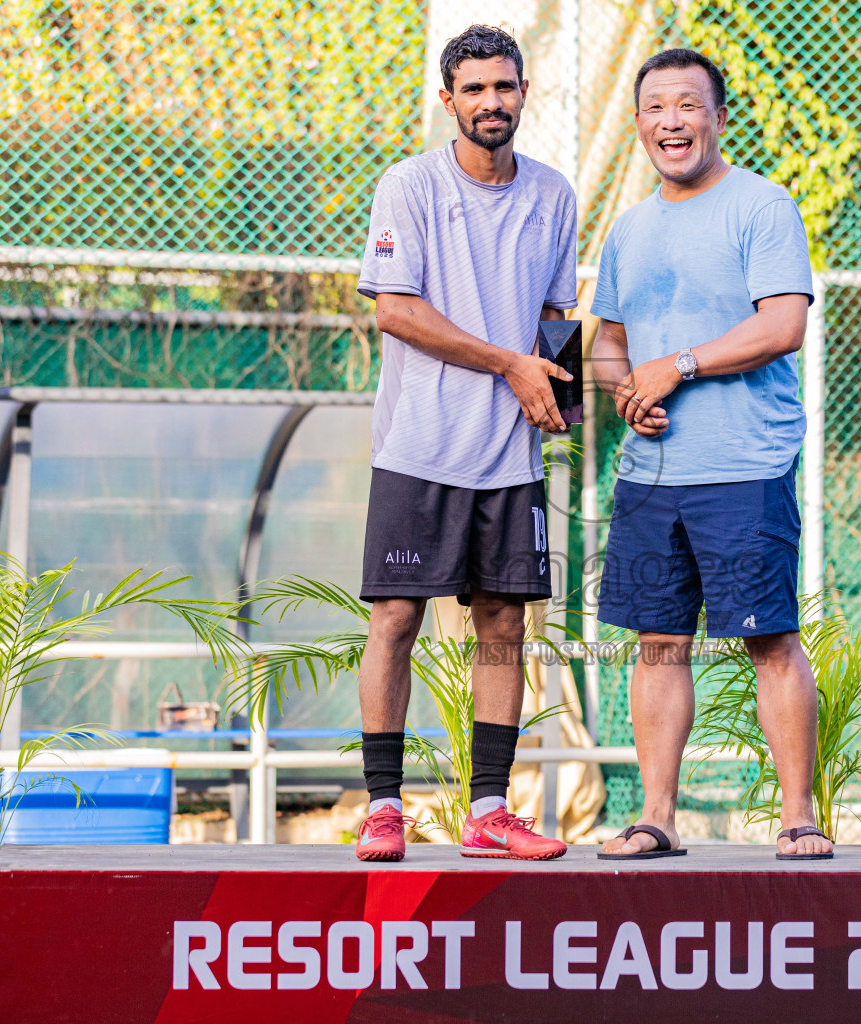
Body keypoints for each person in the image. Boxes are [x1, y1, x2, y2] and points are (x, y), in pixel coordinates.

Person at [592, 48, 832, 860]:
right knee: (657, 643)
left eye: (688, 105)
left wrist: (678, 365)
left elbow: (781, 325)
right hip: (652, 477)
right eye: (656, 107)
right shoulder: (628, 229)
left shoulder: (762, 207)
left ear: (717, 119)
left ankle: (798, 817)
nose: (672, 121)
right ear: (638, 125)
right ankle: (656, 817)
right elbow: (609, 343)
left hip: (746, 467)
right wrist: (628, 390)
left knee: (769, 641)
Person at [352, 24, 577, 862]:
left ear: (523, 94)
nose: (492, 101)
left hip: (510, 458)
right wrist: (509, 364)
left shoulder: (554, 195)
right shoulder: (407, 185)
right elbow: (395, 310)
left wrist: (560, 399)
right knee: (397, 619)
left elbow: (554, 324)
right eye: (474, 88)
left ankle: (488, 811)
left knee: (502, 627)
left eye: (505, 87)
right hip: (419, 448)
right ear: (448, 99)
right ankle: (383, 808)